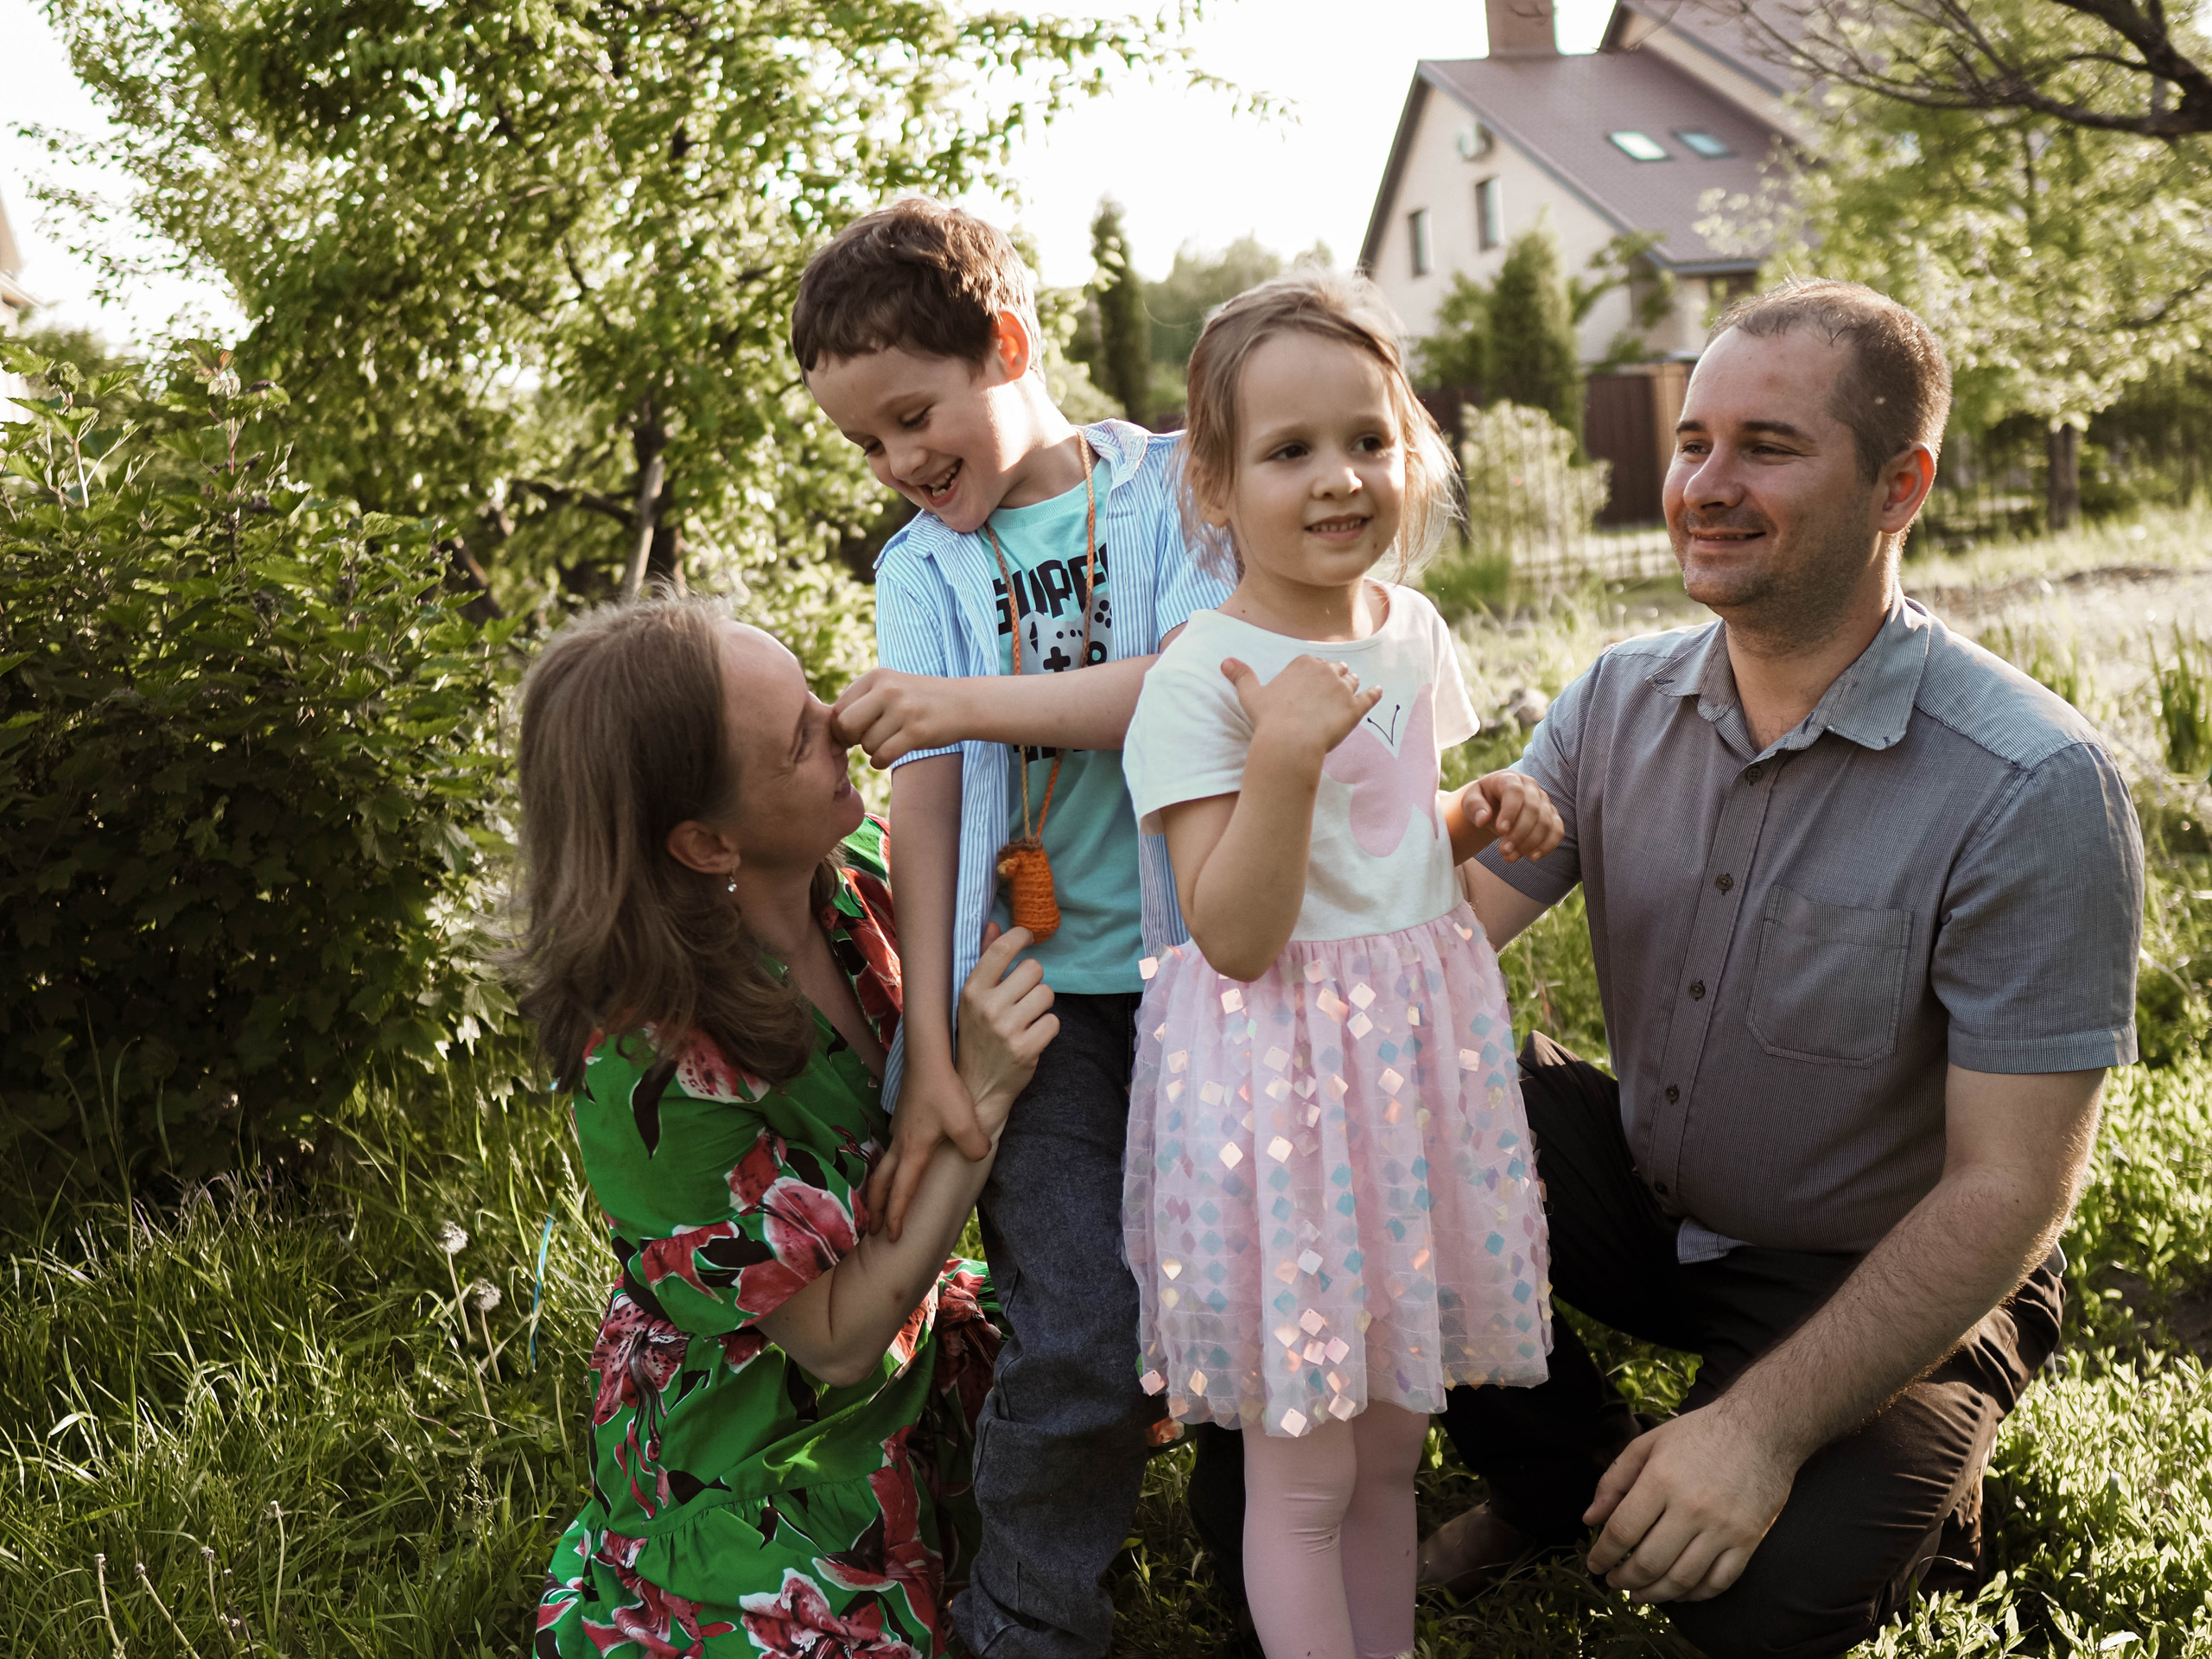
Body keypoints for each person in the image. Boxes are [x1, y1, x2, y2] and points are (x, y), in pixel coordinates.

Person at [1423, 278, 2145, 1657]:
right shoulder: (1616, 698)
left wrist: (1755, 1434)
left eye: (1766, 446)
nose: (1705, 483)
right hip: (1649, 1188)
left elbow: (2009, 1191)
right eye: (1694, 442)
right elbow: (1431, 937)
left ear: (1898, 486)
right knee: (1377, 1114)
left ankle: (1873, 1451)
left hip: (1885, 1262)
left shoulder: (2031, 785)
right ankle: (1564, 1480)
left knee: (1746, 1610)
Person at [791, 197, 1235, 1659]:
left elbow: (1190, 692)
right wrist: (929, 1041)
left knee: (1240, 1303)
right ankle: (1026, 1628)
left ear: (1011, 346)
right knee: (1075, 1332)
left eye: (914, 415)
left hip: (1218, 980)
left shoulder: (1180, 492)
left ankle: (1266, 1587)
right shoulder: (918, 570)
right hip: (1041, 1013)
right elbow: (922, 801)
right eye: (866, 445)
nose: (902, 464)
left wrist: (966, 707)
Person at [1118, 270, 1565, 1659]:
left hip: (1411, 1082)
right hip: (1285, 1097)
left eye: (1369, 440)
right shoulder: (1201, 677)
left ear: (1414, 449)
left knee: (1388, 1454)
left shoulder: (1408, 630)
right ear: (1214, 483)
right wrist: (1286, 756)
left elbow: (1391, 832)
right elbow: (1236, 931)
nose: (1339, 479)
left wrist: (1470, 812)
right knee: (1305, 1473)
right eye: (1289, 450)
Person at [514, 599, 1060, 1656]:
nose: (843, 722)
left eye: (816, 691)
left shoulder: (855, 870)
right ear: (707, 840)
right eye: (801, 737)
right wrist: (980, 1098)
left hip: (909, 1315)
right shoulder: (652, 1069)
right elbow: (839, 1341)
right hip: (768, 1407)